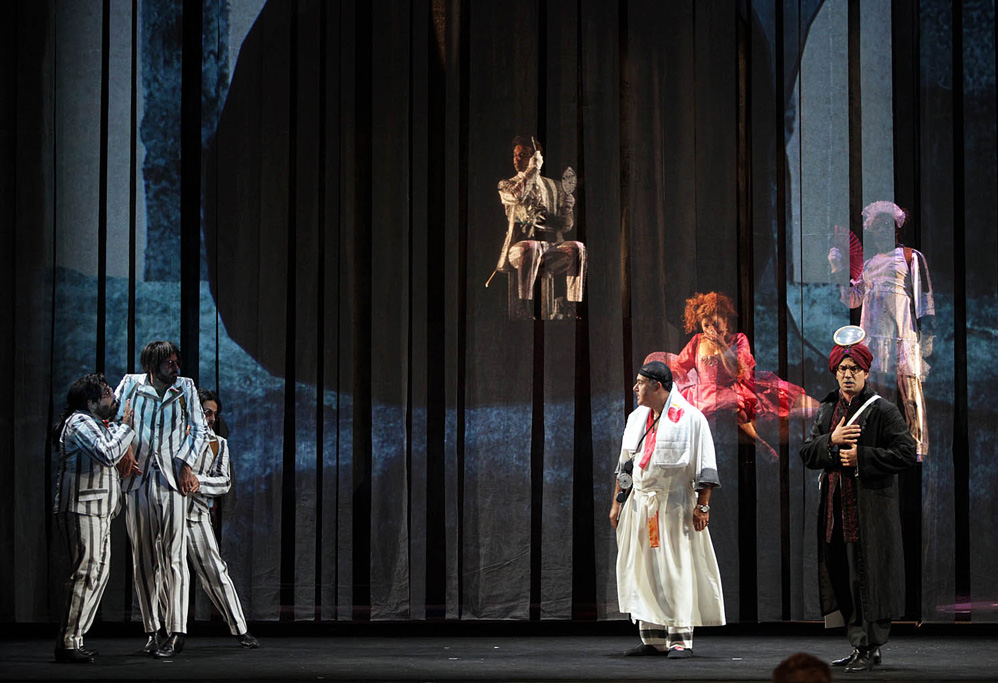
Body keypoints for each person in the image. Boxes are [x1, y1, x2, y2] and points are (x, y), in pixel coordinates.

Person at [799, 342, 917, 673]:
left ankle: (871, 645)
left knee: (867, 578)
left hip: (869, 513)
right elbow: (807, 453)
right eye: (843, 369)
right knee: (843, 578)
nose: (848, 375)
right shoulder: (827, 409)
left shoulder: (882, 410)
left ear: (866, 372)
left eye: (855, 369)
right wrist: (832, 442)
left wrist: (862, 457)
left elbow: (906, 453)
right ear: (835, 373)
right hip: (835, 512)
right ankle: (859, 645)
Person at [609, 361, 725, 658]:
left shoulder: (691, 418)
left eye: (640, 383)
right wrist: (617, 503)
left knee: (674, 569)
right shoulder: (637, 418)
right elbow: (625, 464)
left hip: (673, 506)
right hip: (641, 505)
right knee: (644, 569)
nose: (635, 388)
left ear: (656, 385)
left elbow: (706, 466)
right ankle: (653, 637)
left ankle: (680, 638)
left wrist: (703, 506)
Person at [114, 341, 207, 658]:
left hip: (171, 480)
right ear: (152, 366)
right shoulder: (130, 384)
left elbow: (199, 429)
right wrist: (124, 450)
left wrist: (186, 464)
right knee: (143, 558)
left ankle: (177, 631)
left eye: (177, 362)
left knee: (174, 557)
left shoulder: (186, 387)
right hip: (137, 478)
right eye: (170, 363)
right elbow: (115, 421)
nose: (176, 368)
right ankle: (152, 631)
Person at [658, 291, 816, 459]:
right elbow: (680, 365)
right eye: (706, 325)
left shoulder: (739, 339)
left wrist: (722, 345)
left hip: (737, 387)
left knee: (755, 402)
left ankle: (762, 441)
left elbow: (737, 371)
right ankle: (757, 442)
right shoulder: (697, 341)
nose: (711, 329)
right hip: (707, 392)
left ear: (725, 321)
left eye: (716, 323)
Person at [52, 373, 139, 663]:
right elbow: (107, 454)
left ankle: (75, 639)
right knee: (86, 573)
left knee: (98, 575)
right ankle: (67, 642)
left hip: (98, 510)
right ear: (90, 402)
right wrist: (126, 428)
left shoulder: (97, 424)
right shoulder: (79, 422)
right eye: (107, 394)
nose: (113, 398)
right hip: (81, 507)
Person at [840, 201, 934, 460]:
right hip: (874, 336)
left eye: (886, 225)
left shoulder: (910, 257)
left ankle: (917, 447)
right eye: (877, 226)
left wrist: (928, 334)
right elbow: (854, 299)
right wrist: (839, 272)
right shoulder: (869, 264)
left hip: (902, 334)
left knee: (911, 391)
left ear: (896, 229)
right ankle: (883, 446)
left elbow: (924, 296)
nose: (881, 230)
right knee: (878, 395)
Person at [187, 389, 259, 649]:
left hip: (196, 514)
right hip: (167, 512)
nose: (211, 418)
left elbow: (224, 482)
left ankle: (240, 629)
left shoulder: (218, 443)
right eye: (207, 412)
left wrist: (198, 481)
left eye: (214, 414)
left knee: (215, 571)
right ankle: (158, 634)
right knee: (162, 573)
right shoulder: (175, 437)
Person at [494, 135, 586, 308]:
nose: (516, 159)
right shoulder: (507, 185)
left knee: (577, 248)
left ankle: (573, 305)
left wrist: (567, 208)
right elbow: (517, 195)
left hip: (551, 249)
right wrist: (533, 169)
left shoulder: (555, 187)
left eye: (522, 155)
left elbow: (566, 226)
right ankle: (524, 305)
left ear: (534, 157)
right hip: (519, 250)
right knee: (532, 246)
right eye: (515, 155)